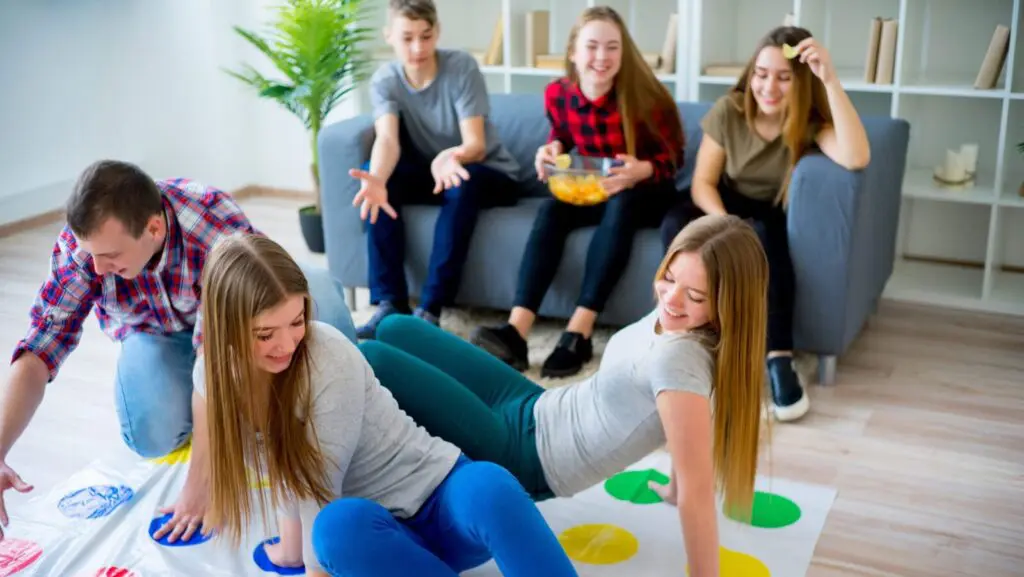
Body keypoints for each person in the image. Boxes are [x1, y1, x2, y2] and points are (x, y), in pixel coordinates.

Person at [361, 214, 771, 577]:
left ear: (727, 305)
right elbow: (685, 438)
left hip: (527, 457)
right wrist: (675, 487)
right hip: (535, 404)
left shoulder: (680, 364)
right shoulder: (678, 317)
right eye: (668, 277)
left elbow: (699, 494)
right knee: (397, 327)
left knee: (374, 357)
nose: (671, 298)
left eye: (695, 296)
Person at [0, 159, 357, 542]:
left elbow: (214, 361)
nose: (98, 269)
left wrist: (202, 480)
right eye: (92, 256)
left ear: (153, 228)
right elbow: (40, 346)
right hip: (152, 332)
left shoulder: (209, 221)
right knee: (151, 433)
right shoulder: (85, 250)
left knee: (322, 316)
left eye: (112, 257)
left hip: (238, 322)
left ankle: (330, 304)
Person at [192, 233, 578, 577]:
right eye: (265, 334)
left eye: (297, 321)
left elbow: (315, 484)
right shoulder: (213, 379)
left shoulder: (326, 354)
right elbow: (285, 470)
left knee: (490, 485)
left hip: (439, 501)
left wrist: (311, 566)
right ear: (227, 327)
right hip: (376, 541)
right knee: (336, 528)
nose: (289, 344)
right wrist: (293, 547)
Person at [659, 26, 871, 422]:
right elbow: (703, 182)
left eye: (783, 77)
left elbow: (856, 156)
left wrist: (830, 78)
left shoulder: (809, 123)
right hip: (720, 200)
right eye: (761, 73)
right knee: (676, 225)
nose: (768, 86)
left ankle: (778, 359)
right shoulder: (730, 110)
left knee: (769, 245)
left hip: (768, 210)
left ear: (800, 82)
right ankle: (690, 335)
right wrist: (724, 225)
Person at [469, 6, 685, 379]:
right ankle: (516, 331)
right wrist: (552, 151)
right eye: (592, 46)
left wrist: (642, 170)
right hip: (594, 188)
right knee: (552, 210)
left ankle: (579, 330)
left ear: (624, 52)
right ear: (573, 52)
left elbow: (675, 157)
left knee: (623, 201)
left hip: (645, 191)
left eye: (612, 47)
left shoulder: (647, 97)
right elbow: (564, 139)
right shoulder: (558, 94)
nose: (602, 57)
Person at [350, 0, 522, 339]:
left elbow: (476, 144)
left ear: (437, 32)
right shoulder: (386, 80)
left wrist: (449, 157)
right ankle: (390, 303)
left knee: (461, 182)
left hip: (486, 171)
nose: (418, 48)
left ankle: (431, 307)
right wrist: (379, 178)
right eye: (407, 38)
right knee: (376, 176)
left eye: (426, 36)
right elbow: (388, 139)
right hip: (433, 175)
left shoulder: (461, 67)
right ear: (390, 37)